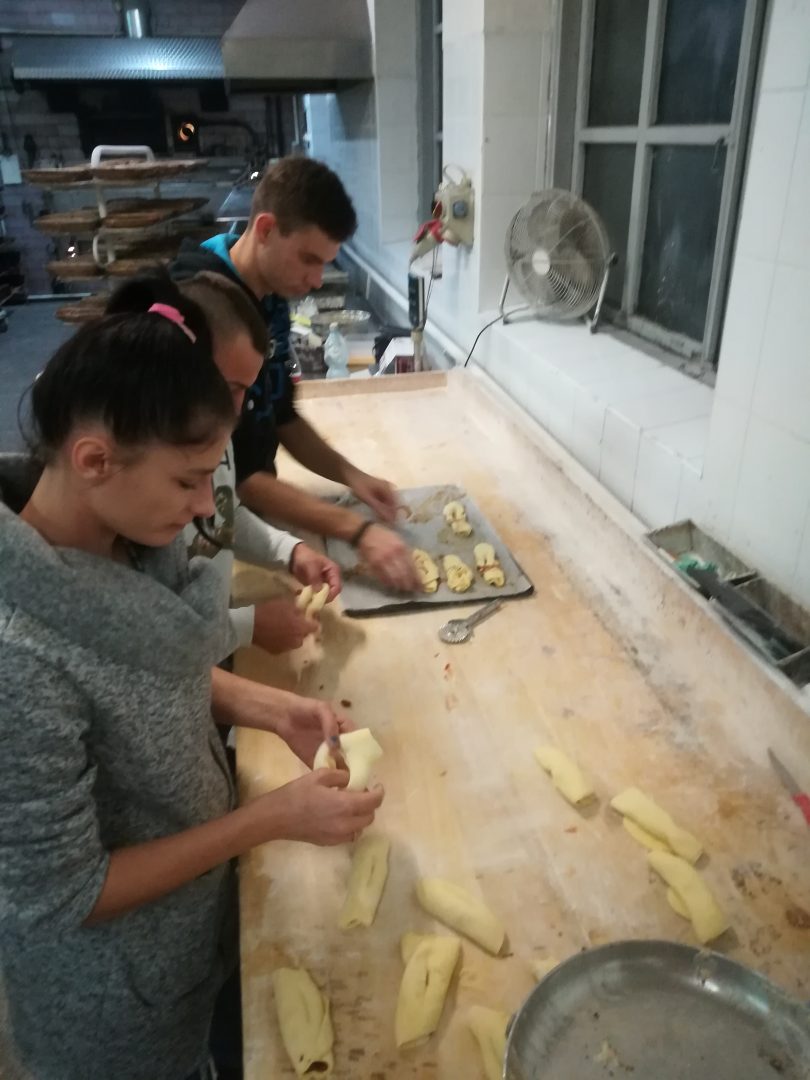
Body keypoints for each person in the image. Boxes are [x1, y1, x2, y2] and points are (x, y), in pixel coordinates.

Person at [0, 277, 384, 1080]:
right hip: (112, 1009)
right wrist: (267, 818)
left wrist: (269, 706)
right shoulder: (18, 659)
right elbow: (64, 896)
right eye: (187, 482)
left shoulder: (124, 540)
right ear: (94, 459)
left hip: (187, 940)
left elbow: (140, 680)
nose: (207, 507)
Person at [172, 155, 421, 594]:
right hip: (200, 541)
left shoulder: (269, 298)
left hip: (251, 526)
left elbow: (281, 415)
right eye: (308, 259)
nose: (316, 280)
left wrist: (352, 477)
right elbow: (235, 477)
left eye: (325, 263)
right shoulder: (200, 308)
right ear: (266, 229)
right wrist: (357, 530)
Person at [106, 271, 342, 657]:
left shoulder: (211, 436)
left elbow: (220, 517)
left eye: (246, 389)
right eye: (230, 387)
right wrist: (245, 627)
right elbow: (146, 637)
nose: (237, 409)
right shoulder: (141, 479)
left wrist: (288, 550)